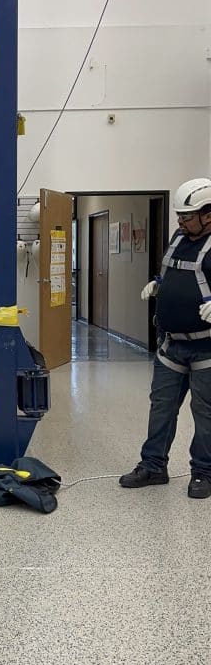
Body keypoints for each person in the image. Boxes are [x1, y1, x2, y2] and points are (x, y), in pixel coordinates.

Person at [119, 178, 211, 499]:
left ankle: (203, 473)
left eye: (187, 216)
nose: (181, 222)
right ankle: (154, 466)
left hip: (206, 348)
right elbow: (174, 272)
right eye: (179, 216)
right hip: (171, 344)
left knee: (205, 413)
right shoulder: (178, 238)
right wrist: (158, 283)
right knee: (161, 408)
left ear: (208, 214)